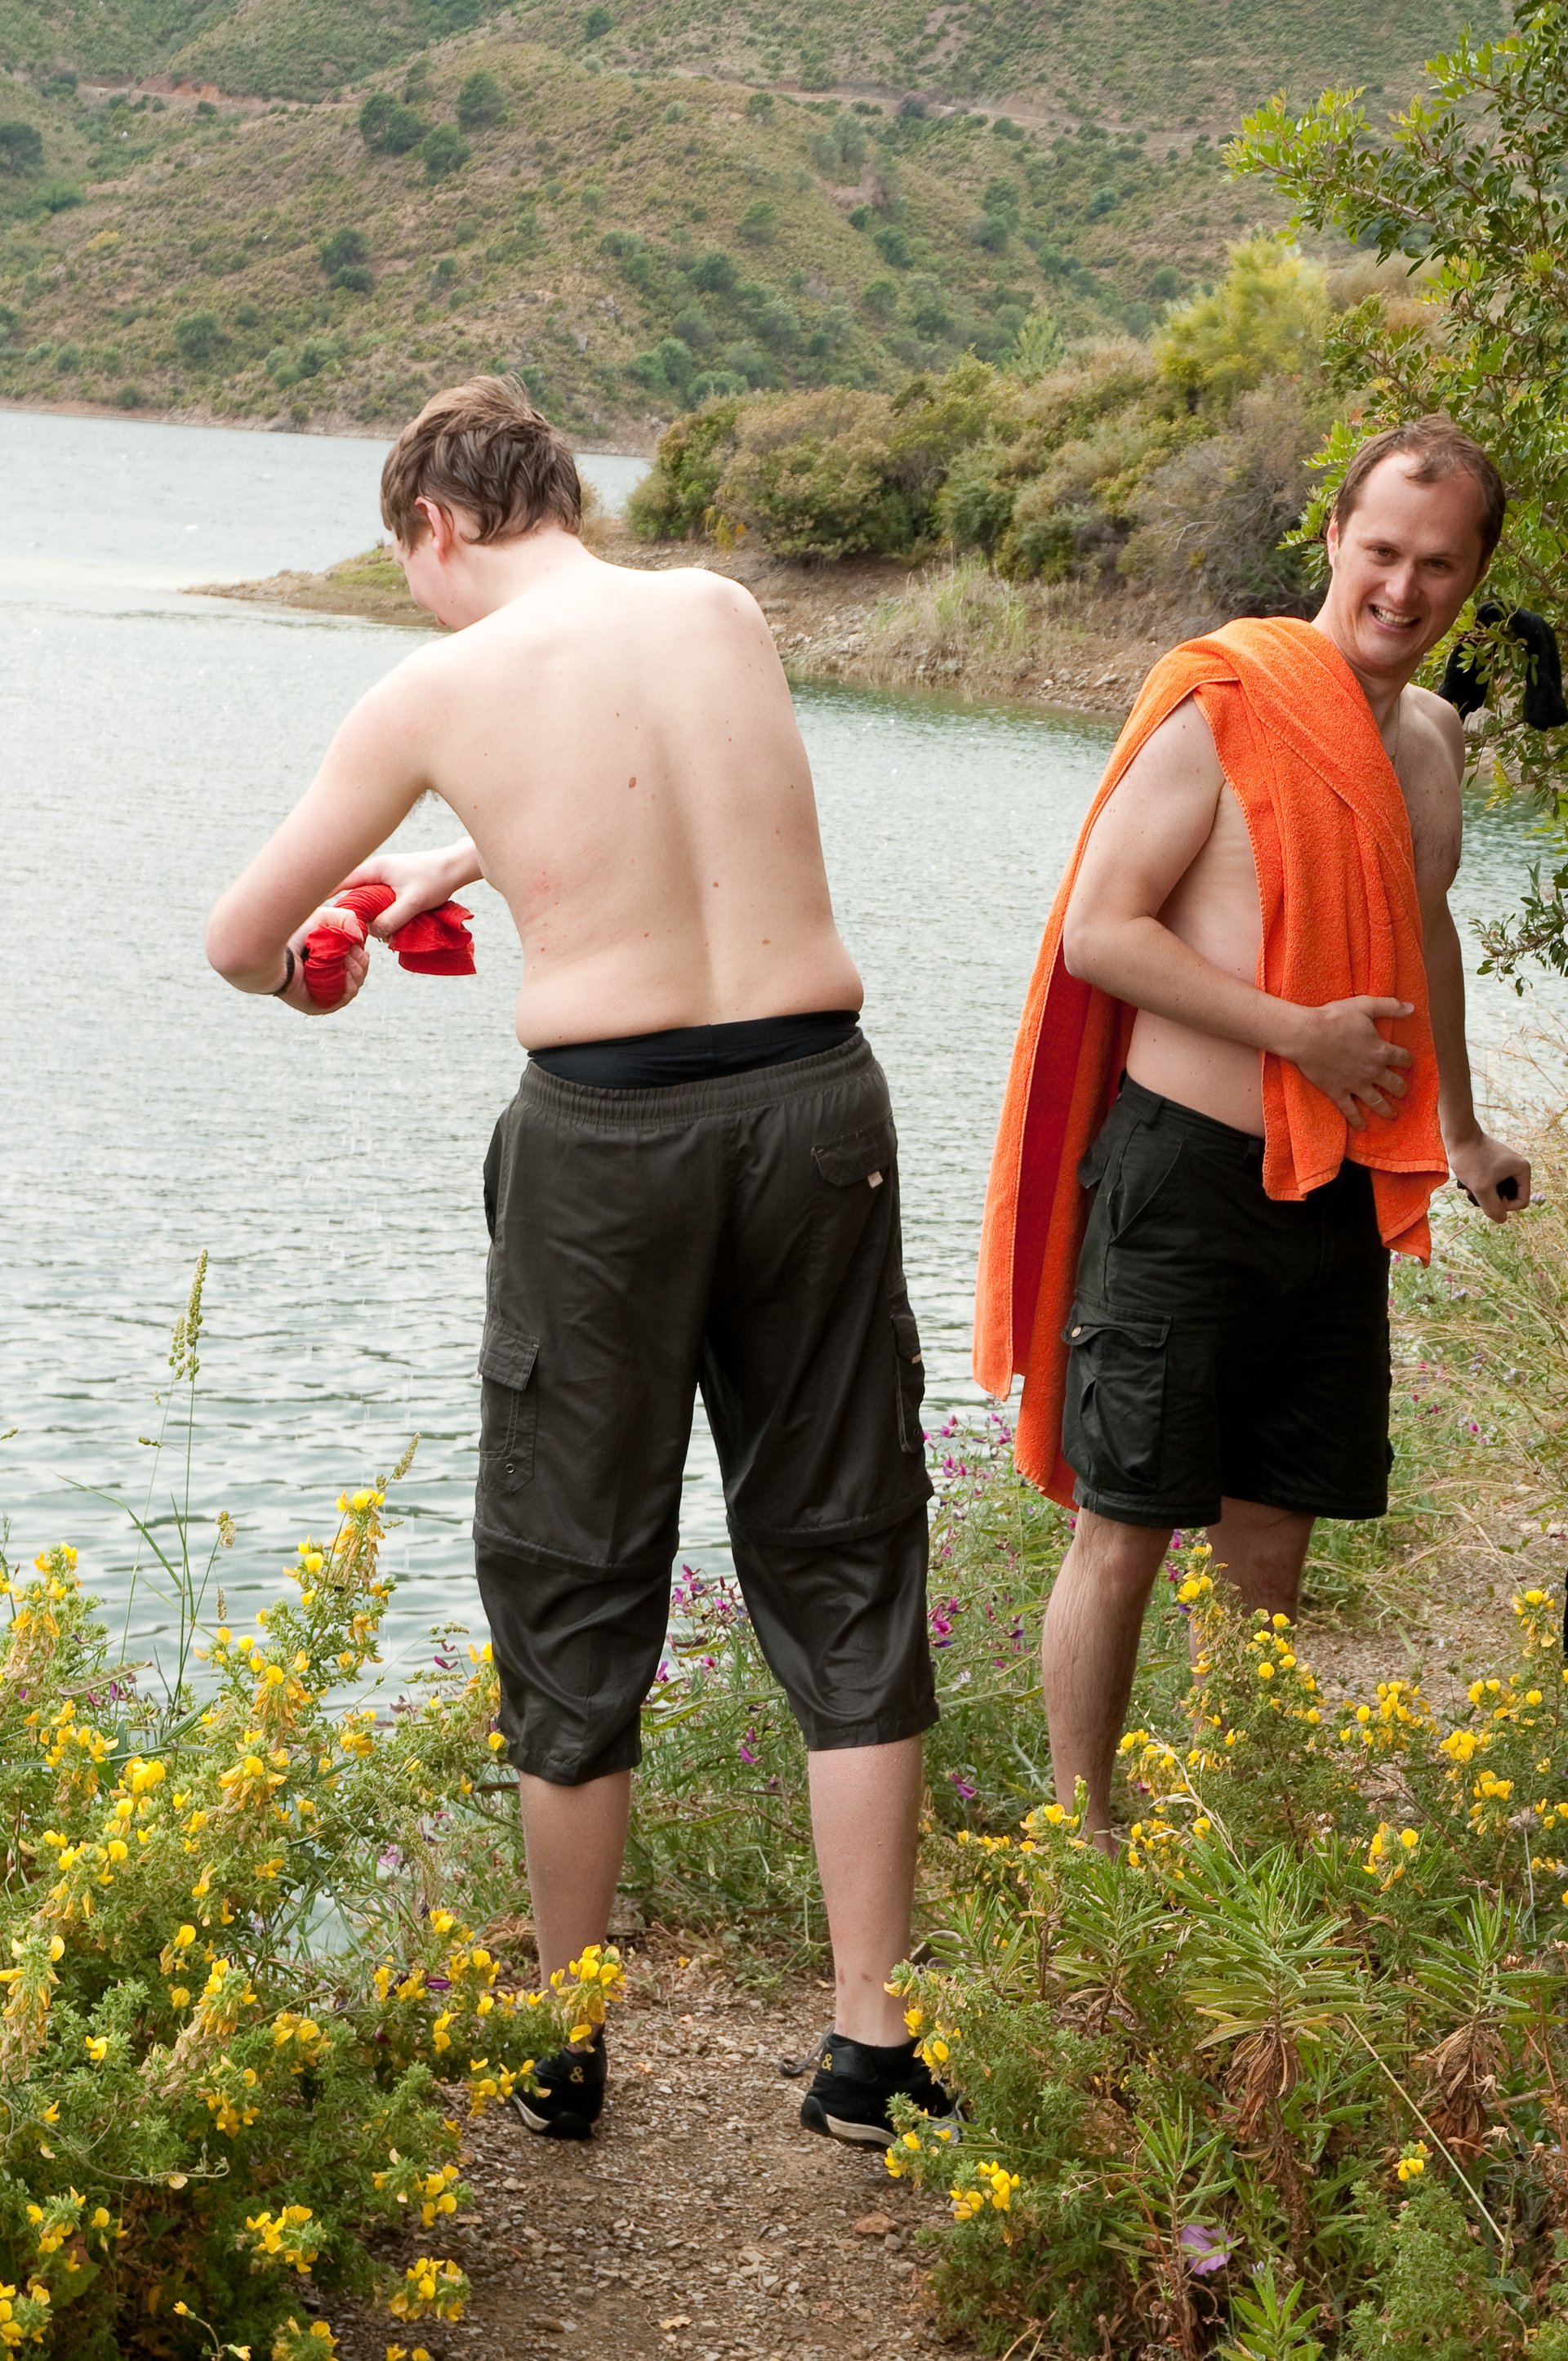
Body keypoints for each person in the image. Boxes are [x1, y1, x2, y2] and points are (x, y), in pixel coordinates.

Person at [206, 377, 951, 2147]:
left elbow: (241, 942)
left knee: (572, 1561)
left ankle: (566, 2036)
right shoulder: (721, 612)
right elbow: (658, 800)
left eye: (414, 567)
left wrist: (321, 973)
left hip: (609, 1146)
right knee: (845, 1540)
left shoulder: (436, 687)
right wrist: (464, 851)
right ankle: (871, 2039)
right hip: (815, 1103)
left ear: (433, 527)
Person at [973, 416, 1532, 1849]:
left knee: (1273, 1533)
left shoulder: (1431, 740)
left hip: (1336, 1182)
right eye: (1382, 550)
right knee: (1125, 1527)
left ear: (1474, 578)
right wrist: (1298, 1035)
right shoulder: (1227, 702)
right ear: (1335, 538)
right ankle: (1087, 1841)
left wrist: (1462, 1129)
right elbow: (1102, 931)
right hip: (1185, 1173)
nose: (1402, 588)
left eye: (1439, 565)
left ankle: (1232, 1819)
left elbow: (1423, 938)